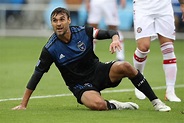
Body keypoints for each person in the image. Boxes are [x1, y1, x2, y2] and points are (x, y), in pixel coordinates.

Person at [12, 7, 171, 112]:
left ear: (69, 20)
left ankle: (156, 102)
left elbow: (109, 32)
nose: (58, 23)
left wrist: (115, 39)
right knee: (98, 105)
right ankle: (116, 105)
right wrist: (23, 104)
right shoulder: (50, 48)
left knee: (126, 66)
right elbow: (37, 74)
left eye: (61, 19)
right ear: (52, 23)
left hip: (98, 71)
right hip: (80, 85)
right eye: (55, 20)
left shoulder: (83, 31)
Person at [132, 0, 184, 102]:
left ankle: (170, 91)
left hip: (164, 6)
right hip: (143, 6)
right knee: (143, 47)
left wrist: (182, 4)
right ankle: (138, 79)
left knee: (168, 48)